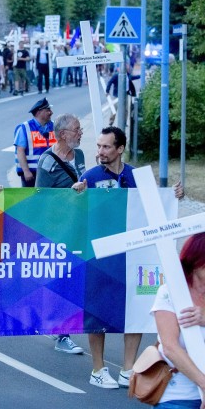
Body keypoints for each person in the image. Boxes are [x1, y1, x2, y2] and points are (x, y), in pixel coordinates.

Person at [80, 126, 185, 389]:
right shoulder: (89, 177)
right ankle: (97, 369)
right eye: (99, 146)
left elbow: (156, 206)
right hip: (99, 255)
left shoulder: (137, 177)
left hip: (133, 254)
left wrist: (173, 196)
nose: (100, 152)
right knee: (98, 311)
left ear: (119, 149)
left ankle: (128, 368)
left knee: (135, 308)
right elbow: (76, 213)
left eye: (106, 147)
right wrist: (76, 194)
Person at [35, 113, 87, 355]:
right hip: (59, 231)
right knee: (63, 280)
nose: (81, 132)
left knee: (75, 280)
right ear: (64, 134)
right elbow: (41, 198)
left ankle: (60, 326)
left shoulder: (83, 156)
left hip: (80, 228)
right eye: (77, 129)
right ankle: (62, 334)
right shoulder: (47, 162)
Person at [150, 232, 205, 408]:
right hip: (178, 394)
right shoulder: (169, 292)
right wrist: (204, 384)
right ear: (195, 261)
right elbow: (170, 347)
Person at [14, 97, 56, 187]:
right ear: (38, 112)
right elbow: (20, 151)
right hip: (32, 174)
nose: (51, 112)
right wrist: (26, 171)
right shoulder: (25, 128)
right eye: (48, 110)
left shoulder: (54, 126)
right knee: (31, 199)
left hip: (51, 171)